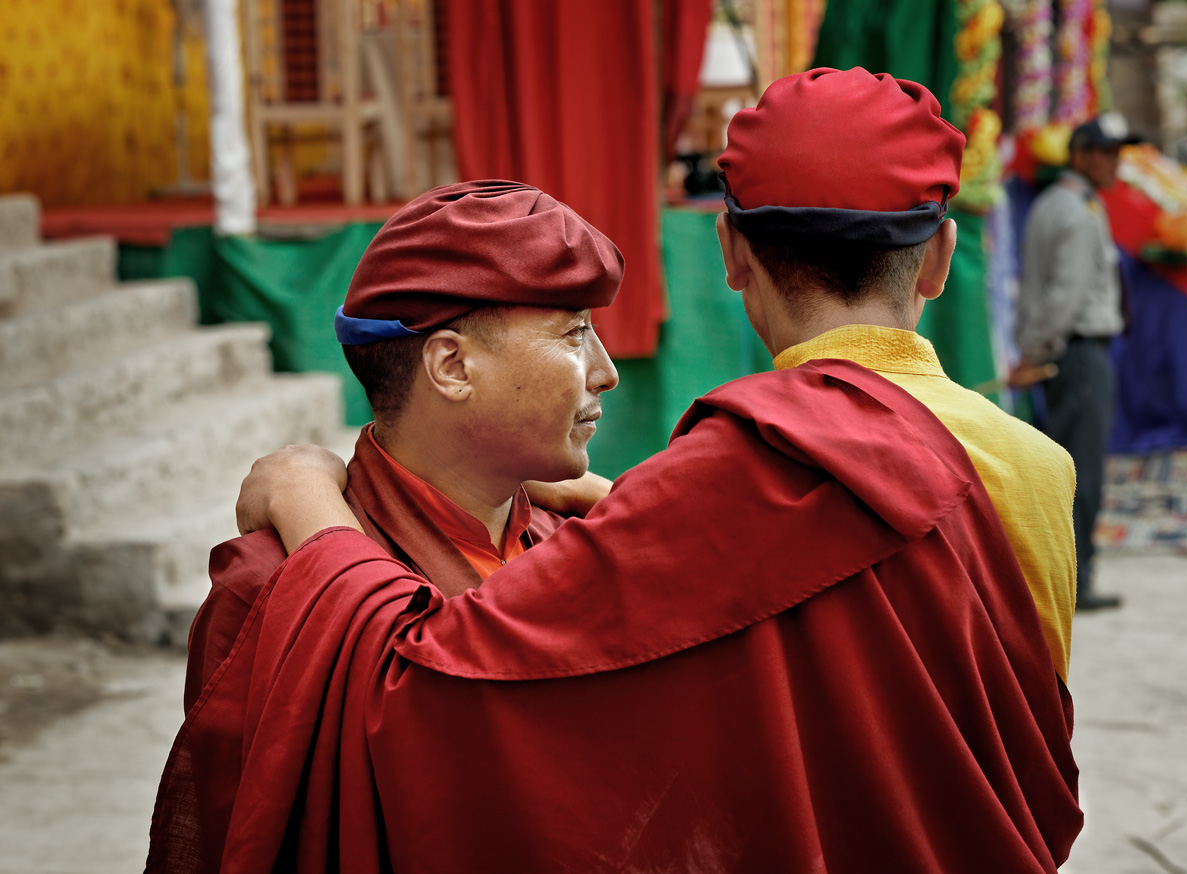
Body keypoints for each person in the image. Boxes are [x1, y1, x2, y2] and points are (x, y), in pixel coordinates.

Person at [159, 69, 1083, 872]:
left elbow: (426, 695)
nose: (604, 369)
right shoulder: (1034, 468)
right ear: (942, 261)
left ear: (730, 253)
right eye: (572, 333)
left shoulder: (699, 490)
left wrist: (304, 492)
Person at [147, 180, 623, 873]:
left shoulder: (572, 545)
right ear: (452, 365)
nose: (605, 373)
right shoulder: (270, 588)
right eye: (575, 334)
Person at [1017, 113, 1132, 612]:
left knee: (1069, 465)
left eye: (1118, 154)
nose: (1115, 164)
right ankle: (1075, 583)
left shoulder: (1055, 203)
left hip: (1067, 351)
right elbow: (1065, 294)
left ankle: (1066, 576)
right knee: (1081, 470)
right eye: (1106, 153)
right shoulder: (1078, 210)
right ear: (1080, 155)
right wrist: (1037, 351)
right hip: (1078, 352)